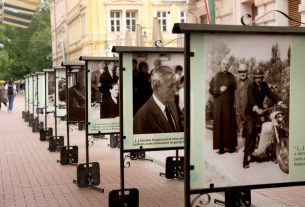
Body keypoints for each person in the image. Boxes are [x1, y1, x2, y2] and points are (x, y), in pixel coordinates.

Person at [243, 67, 285, 168]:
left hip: (261, 111)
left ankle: (272, 150)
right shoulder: (250, 87)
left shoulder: (264, 85)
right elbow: (251, 99)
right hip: (251, 113)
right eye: (257, 77)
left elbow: (271, 94)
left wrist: (280, 101)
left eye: (260, 77)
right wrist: (256, 108)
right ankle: (246, 158)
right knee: (250, 131)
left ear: (262, 77)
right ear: (254, 78)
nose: (259, 79)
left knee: (272, 125)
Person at [133, 65, 182, 134]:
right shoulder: (142, 118)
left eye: (175, 85)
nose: (175, 90)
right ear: (156, 86)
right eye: (171, 86)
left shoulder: (172, 104)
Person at [209, 58, 237, 154]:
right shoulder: (216, 76)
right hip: (219, 105)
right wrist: (219, 89)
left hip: (229, 105)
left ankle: (231, 147)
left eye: (227, 64)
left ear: (229, 66)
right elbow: (211, 90)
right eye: (224, 64)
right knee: (220, 125)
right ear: (221, 65)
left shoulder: (232, 76)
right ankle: (221, 148)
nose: (225, 66)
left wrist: (234, 103)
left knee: (230, 124)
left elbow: (234, 90)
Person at [235, 63, 252, 138]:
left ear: (247, 72)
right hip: (237, 112)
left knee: (248, 133)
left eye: (244, 71)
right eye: (240, 72)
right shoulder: (235, 82)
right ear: (238, 73)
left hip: (247, 112)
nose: (242, 74)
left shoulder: (251, 82)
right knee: (238, 134)